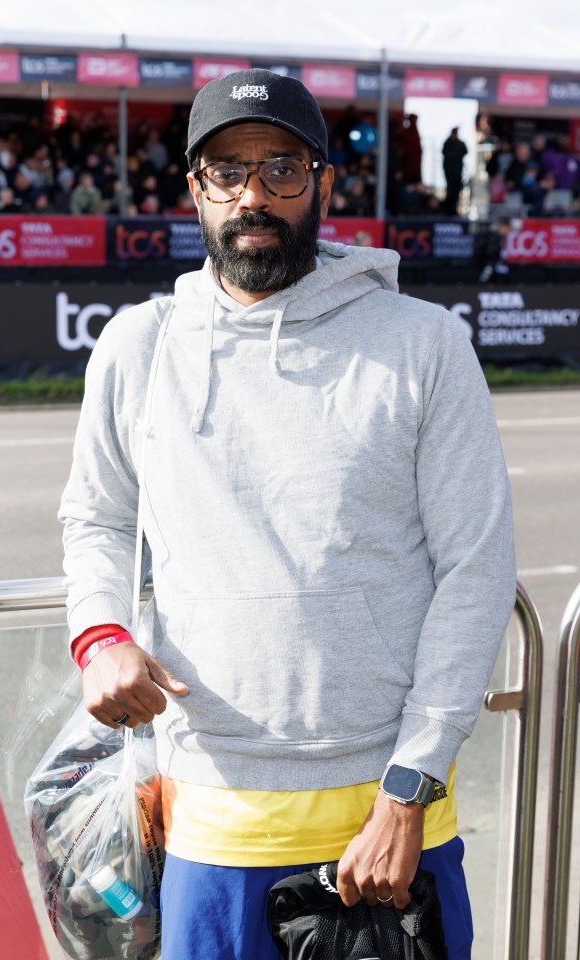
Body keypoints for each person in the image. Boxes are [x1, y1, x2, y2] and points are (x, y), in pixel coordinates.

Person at [59, 68, 516, 960]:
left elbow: (476, 568)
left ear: (324, 184)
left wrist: (408, 791)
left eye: (281, 168)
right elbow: (99, 518)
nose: (253, 194)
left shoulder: (423, 346)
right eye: (226, 171)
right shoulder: (137, 346)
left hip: (389, 824)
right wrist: (101, 633)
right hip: (210, 822)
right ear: (195, 189)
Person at [442, 127, 468, 216]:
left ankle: (453, 210)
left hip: (457, 173)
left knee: (456, 191)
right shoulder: (447, 143)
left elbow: (465, 151)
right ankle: (448, 210)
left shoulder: (460, 144)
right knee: (450, 191)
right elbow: (445, 153)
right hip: (449, 172)